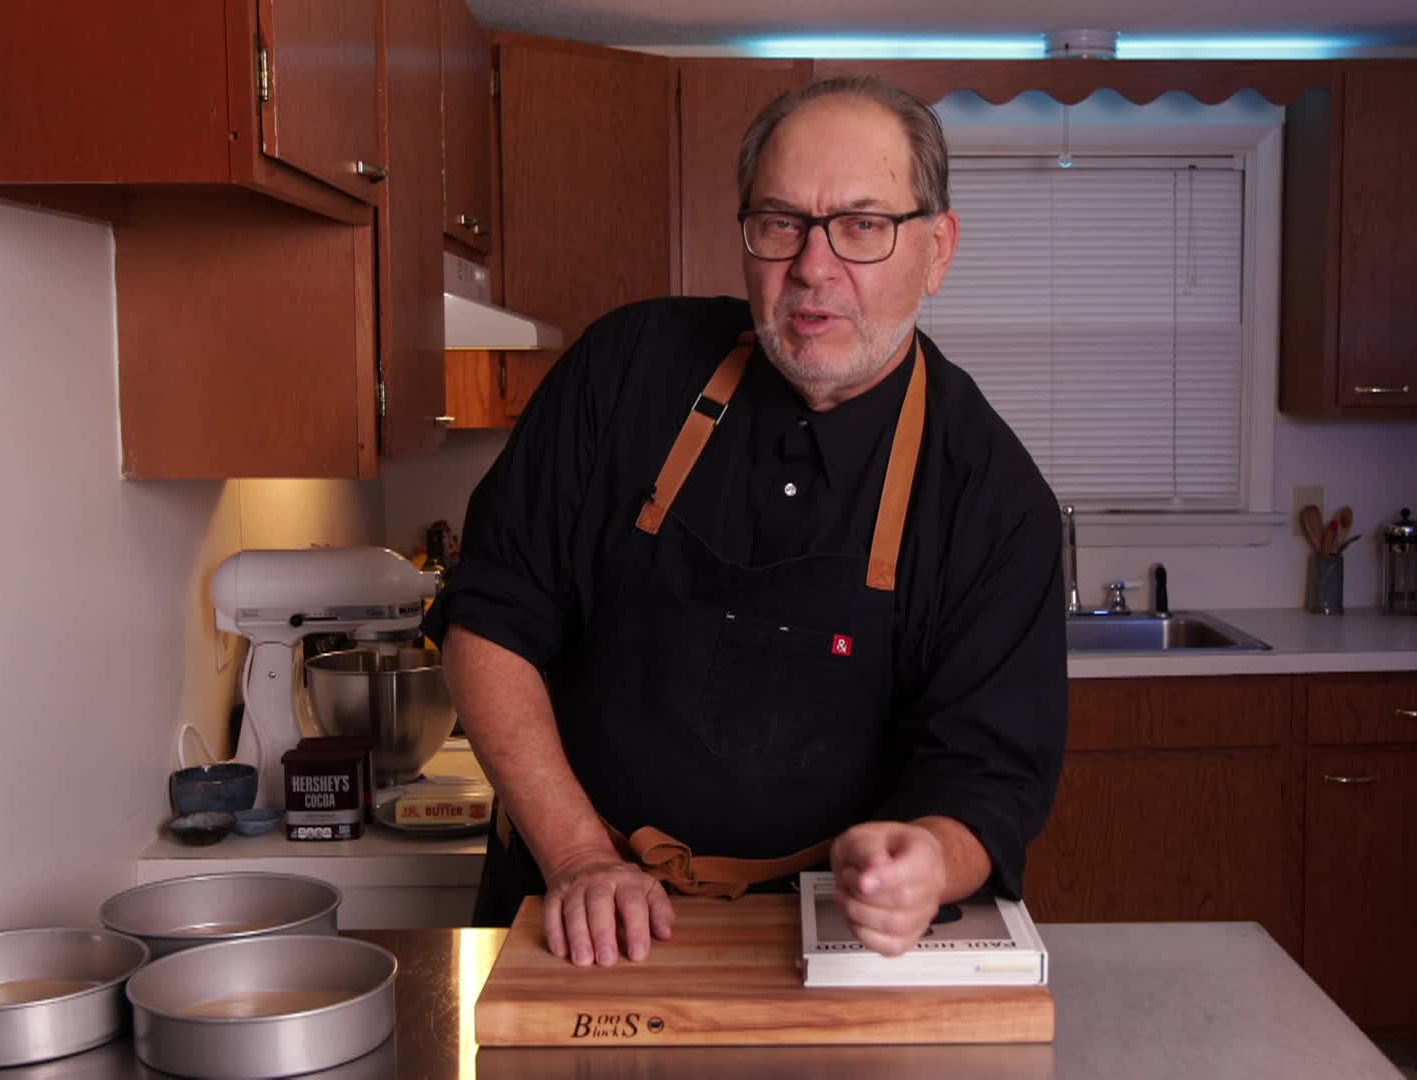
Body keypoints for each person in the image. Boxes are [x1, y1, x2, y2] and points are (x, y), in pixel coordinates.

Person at [430, 75, 1066, 968]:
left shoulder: (992, 498)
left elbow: (990, 778)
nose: (813, 267)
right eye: (780, 222)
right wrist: (577, 856)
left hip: (829, 948)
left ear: (938, 250)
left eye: (863, 226)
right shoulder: (625, 370)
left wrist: (929, 859)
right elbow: (489, 623)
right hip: (576, 915)